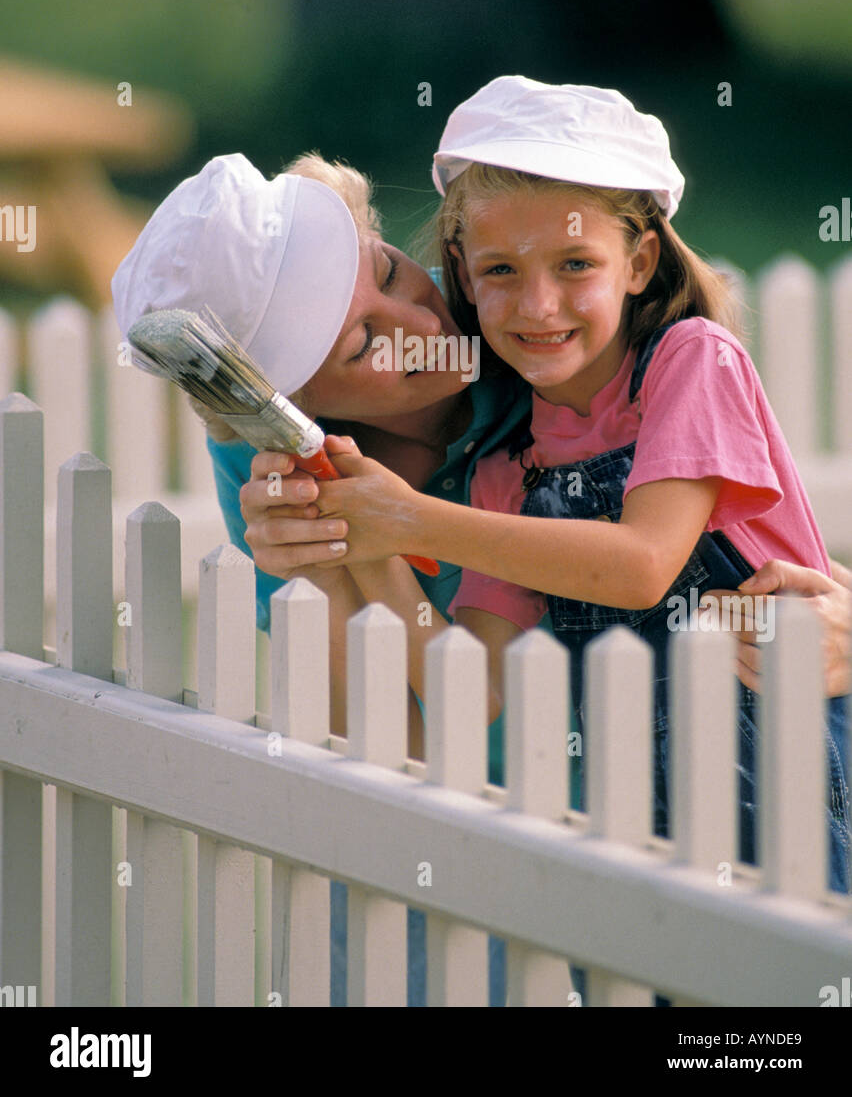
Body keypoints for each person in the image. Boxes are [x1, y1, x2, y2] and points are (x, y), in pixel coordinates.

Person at [111, 133, 851, 1007]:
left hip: (723, 780)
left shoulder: (549, 344)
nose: (426, 331)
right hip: (493, 841)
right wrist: (350, 557)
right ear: (290, 404)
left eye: (390, 273)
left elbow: (707, 545)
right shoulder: (273, 476)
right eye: (363, 345)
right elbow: (408, 747)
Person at [284, 77, 851, 897]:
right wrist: (373, 545)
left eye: (575, 263)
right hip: (643, 819)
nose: (538, 304)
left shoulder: (691, 364)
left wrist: (411, 517)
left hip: (797, 775)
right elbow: (467, 694)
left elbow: (642, 562)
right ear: (465, 279)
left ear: (640, 260)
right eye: (502, 270)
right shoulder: (504, 470)